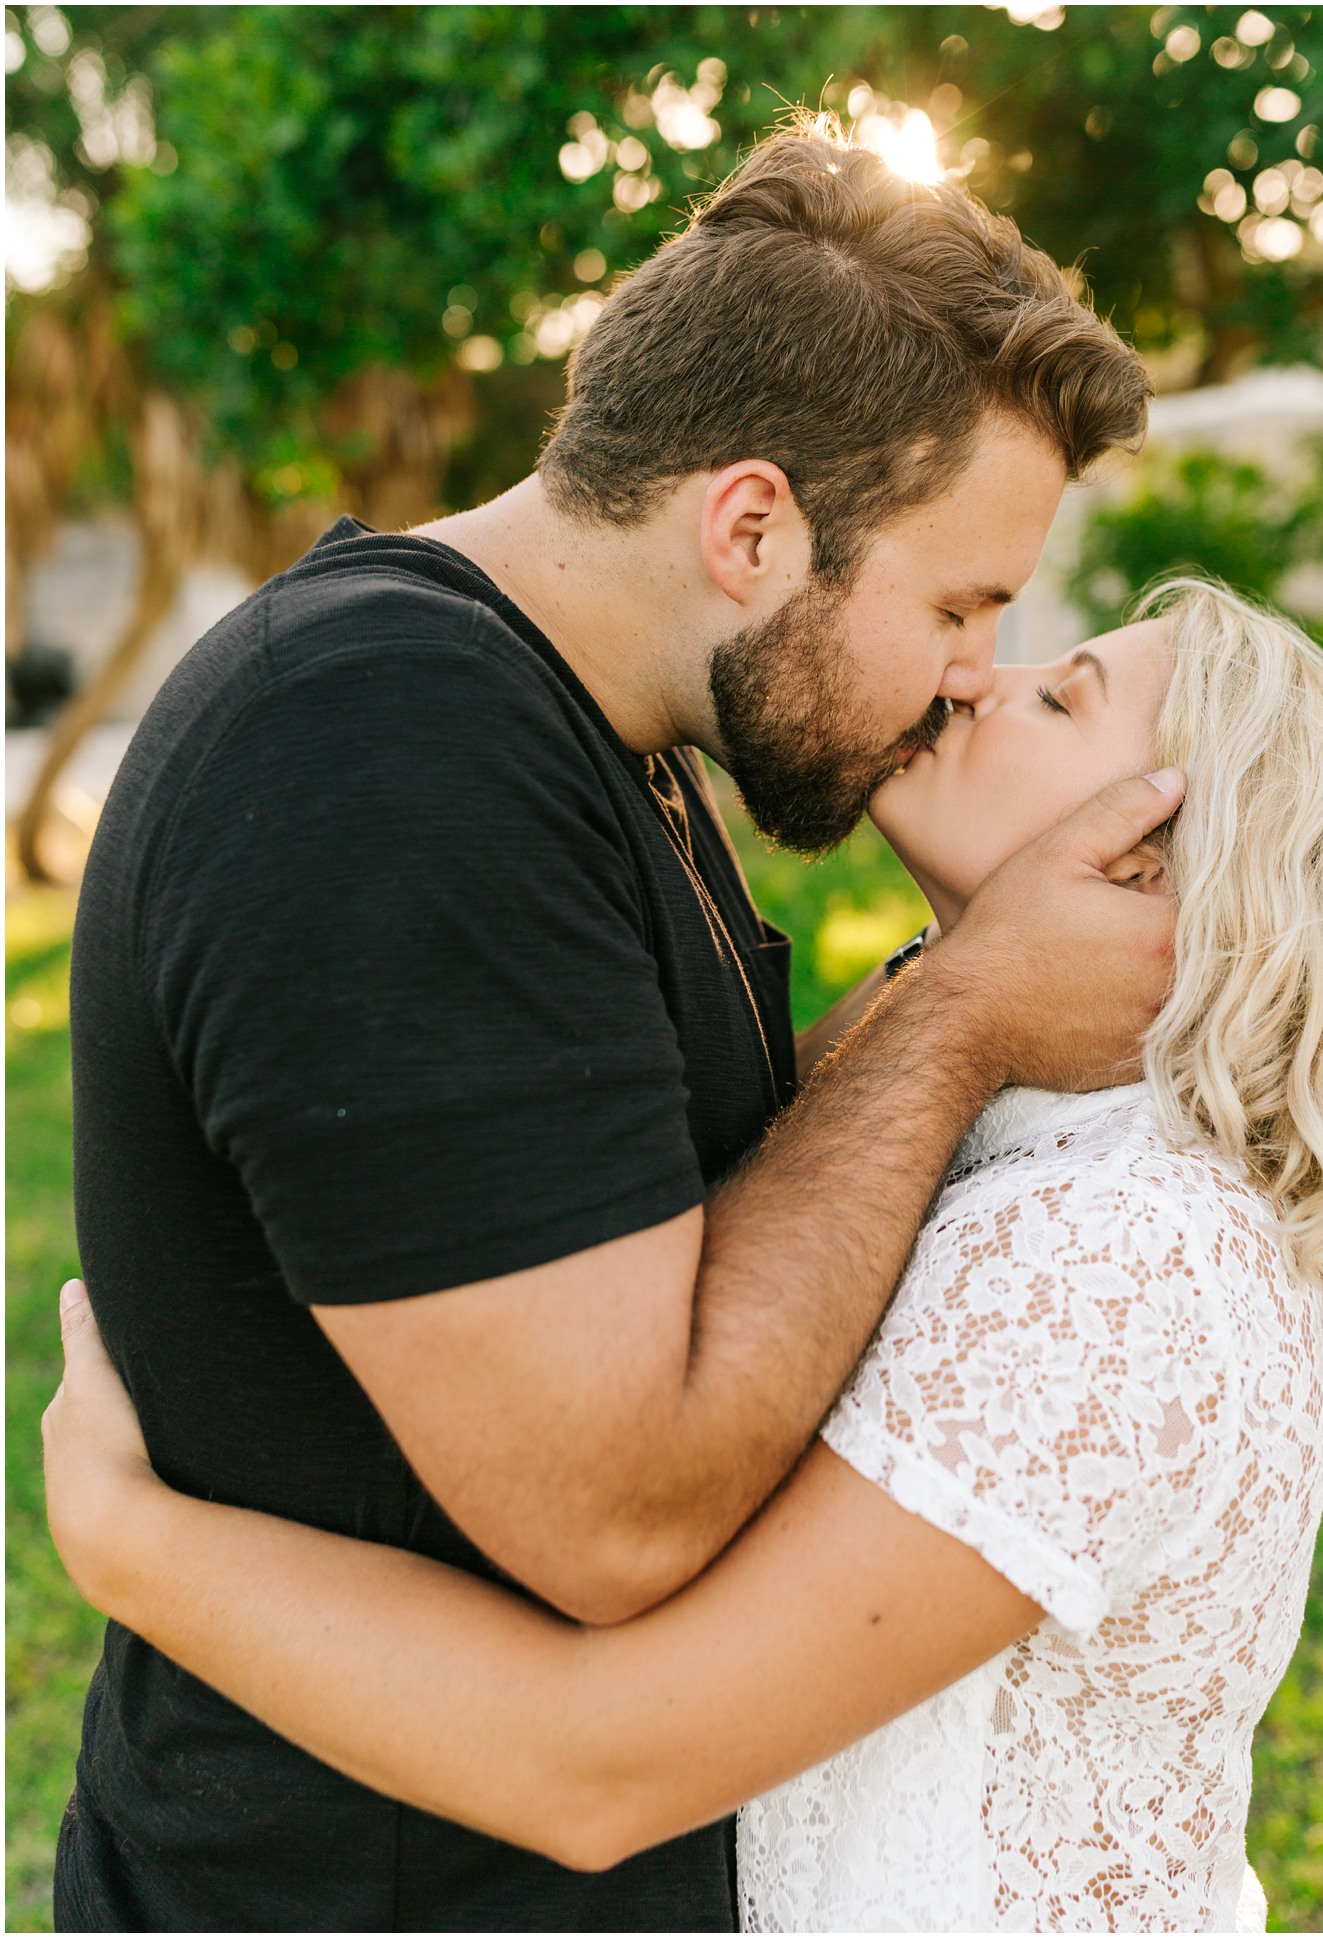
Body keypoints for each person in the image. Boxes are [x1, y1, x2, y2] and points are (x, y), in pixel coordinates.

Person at [51, 120, 1176, 1932]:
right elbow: (618, 1518)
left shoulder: (586, 736)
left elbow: (665, 1206)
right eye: (959, 601)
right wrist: (959, 1015)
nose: (978, 666)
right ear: (750, 524)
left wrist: (931, 1000)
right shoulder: (386, 756)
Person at [46, 581, 1323, 1932]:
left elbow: (601, 1763)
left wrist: (136, 1541)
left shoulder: (1121, 1261)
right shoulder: (1037, 1148)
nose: (978, 675)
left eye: (1058, 698)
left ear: (1147, 865)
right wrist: (961, 976)